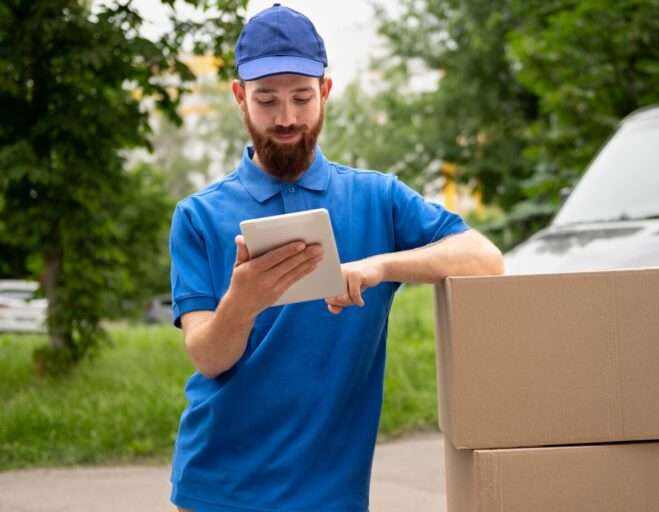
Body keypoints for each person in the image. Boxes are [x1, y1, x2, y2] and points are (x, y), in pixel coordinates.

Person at [168, 4, 504, 511]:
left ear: (325, 92)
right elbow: (208, 357)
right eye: (267, 100)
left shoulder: (378, 199)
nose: (286, 118)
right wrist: (244, 300)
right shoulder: (198, 216)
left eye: (302, 97)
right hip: (220, 488)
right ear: (240, 98)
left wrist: (379, 266)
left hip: (333, 494)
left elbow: (485, 258)